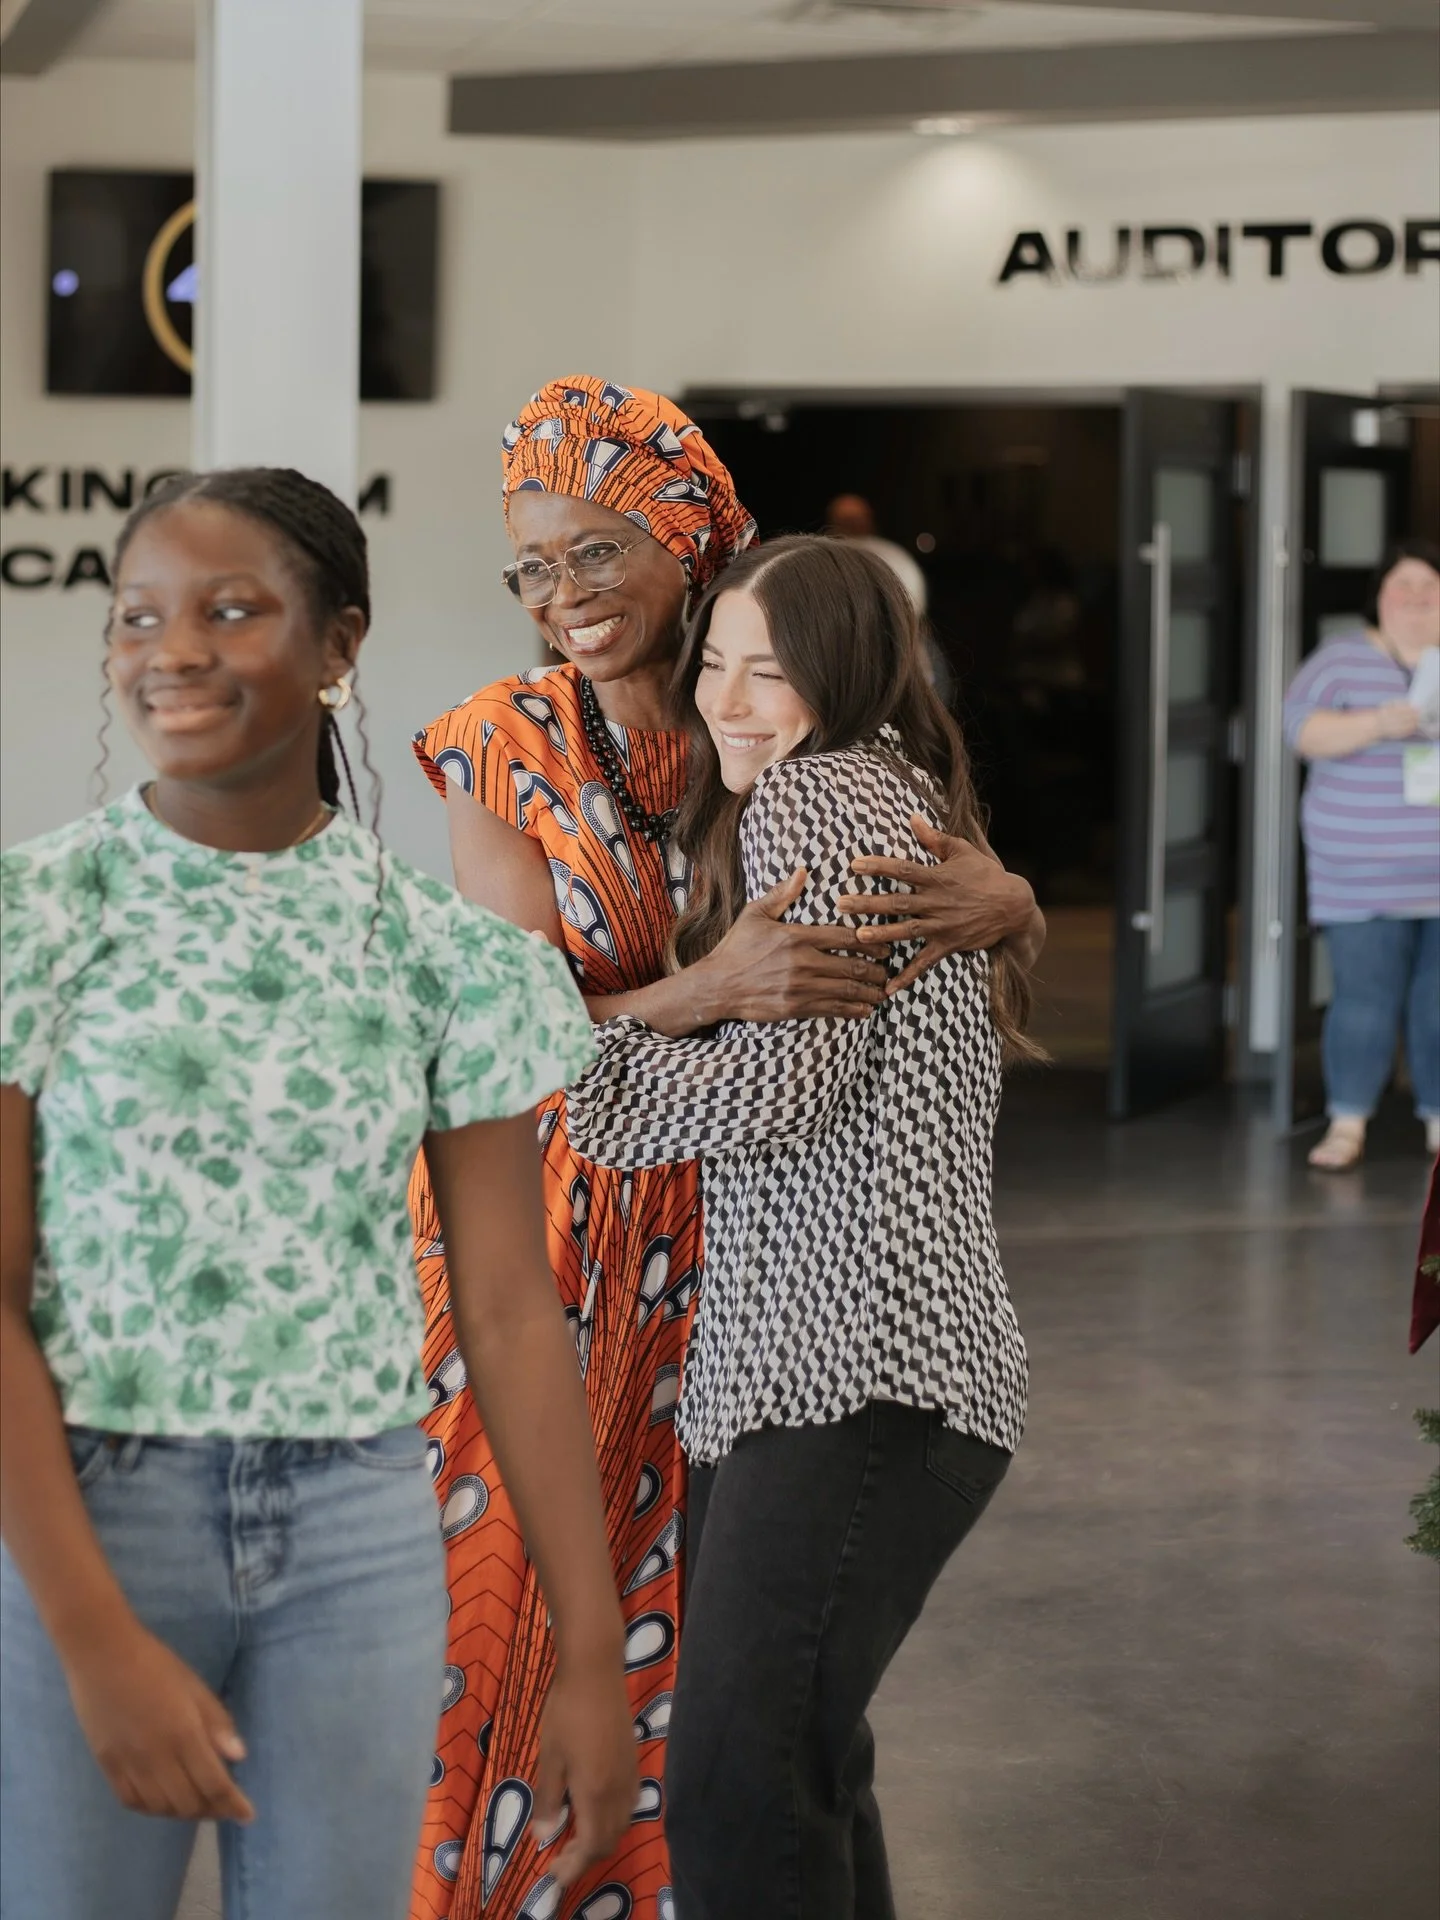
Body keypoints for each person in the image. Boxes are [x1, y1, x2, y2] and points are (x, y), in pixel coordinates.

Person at [406, 378, 1045, 1920]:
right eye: (532, 566)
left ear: (688, 544)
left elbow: (862, 974)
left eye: (597, 554)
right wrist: (700, 992)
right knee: (539, 1650)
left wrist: (1014, 900)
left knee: (743, 1709)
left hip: (755, 1272)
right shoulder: (506, 745)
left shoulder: (764, 736)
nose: (561, 598)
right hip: (565, 1254)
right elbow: (505, 1031)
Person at [0, 468, 636, 1920]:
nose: (174, 649)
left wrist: (592, 1657)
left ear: (339, 645)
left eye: (233, 611)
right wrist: (93, 1637)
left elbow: (509, 1310)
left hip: (359, 1526)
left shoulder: (450, 956)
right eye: (141, 615)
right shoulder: (32, 917)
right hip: (87, 1517)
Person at [563, 534, 1036, 1920]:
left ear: (840, 674)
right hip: (833, 1376)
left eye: (770, 670)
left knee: (734, 1789)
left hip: (854, 1369)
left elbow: (780, 1084)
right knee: (799, 1774)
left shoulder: (818, 799)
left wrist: (593, 1083)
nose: (729, 698)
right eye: (717, 664)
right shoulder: (894, 793)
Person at [1283, 538, 1440, 1171]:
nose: (1415, 598)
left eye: (1429, 586)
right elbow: (1301, 732)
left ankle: (1437, 1121)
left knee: (1438, 1002)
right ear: (1380, 597)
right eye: (1402, 586)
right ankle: (1348, 1120)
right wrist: (1381, 723)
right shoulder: (1340, 660)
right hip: (1360, 873)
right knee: (1363, 999)